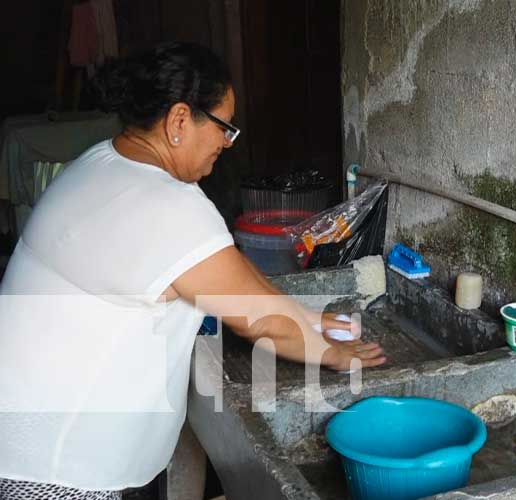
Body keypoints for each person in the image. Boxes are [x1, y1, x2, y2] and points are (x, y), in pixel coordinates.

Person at [0, 42, 385, 500]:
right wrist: (337, 356)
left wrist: (308, 317)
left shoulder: (102, 162)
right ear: (180, 120)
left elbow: (227, 266)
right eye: (224, 127)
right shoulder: (169, 205)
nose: (227, 142)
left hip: (26, 440)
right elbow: (261, 322)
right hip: (60, 473)